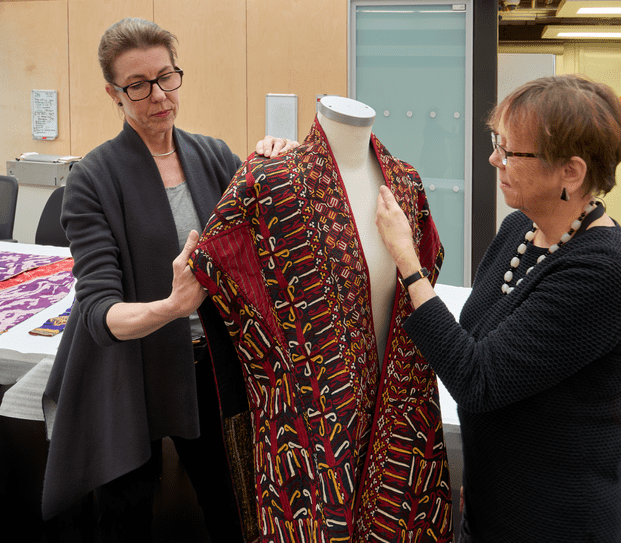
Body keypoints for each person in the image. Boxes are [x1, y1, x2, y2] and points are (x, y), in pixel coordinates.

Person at [40, 17, 296, 542]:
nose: (158, 95)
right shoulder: (92, 178)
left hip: (209, 370)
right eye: (138, 85)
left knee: (233, 506)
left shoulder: (213, 156)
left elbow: (263, 247)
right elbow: (96, 312)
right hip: (130, 369)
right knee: (127, 513)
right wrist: (171, 307)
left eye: (167, 77)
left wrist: (278, 169)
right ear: (114, 93)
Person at [189, 96, 451, 542]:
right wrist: (280, 367)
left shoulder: (405, 183)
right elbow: (219, 265)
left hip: (398, 411)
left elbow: (423, 270)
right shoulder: (267, 184)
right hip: (306, 420)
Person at [375, 73, 621, 542]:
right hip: (492, 503)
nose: (494, 159)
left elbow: (478, 378)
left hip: (556, 520)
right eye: (497, 143)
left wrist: (407, 261)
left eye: (511, 151)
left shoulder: (603, 271)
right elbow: (477, 344)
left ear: (571, 172)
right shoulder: (517, 231)